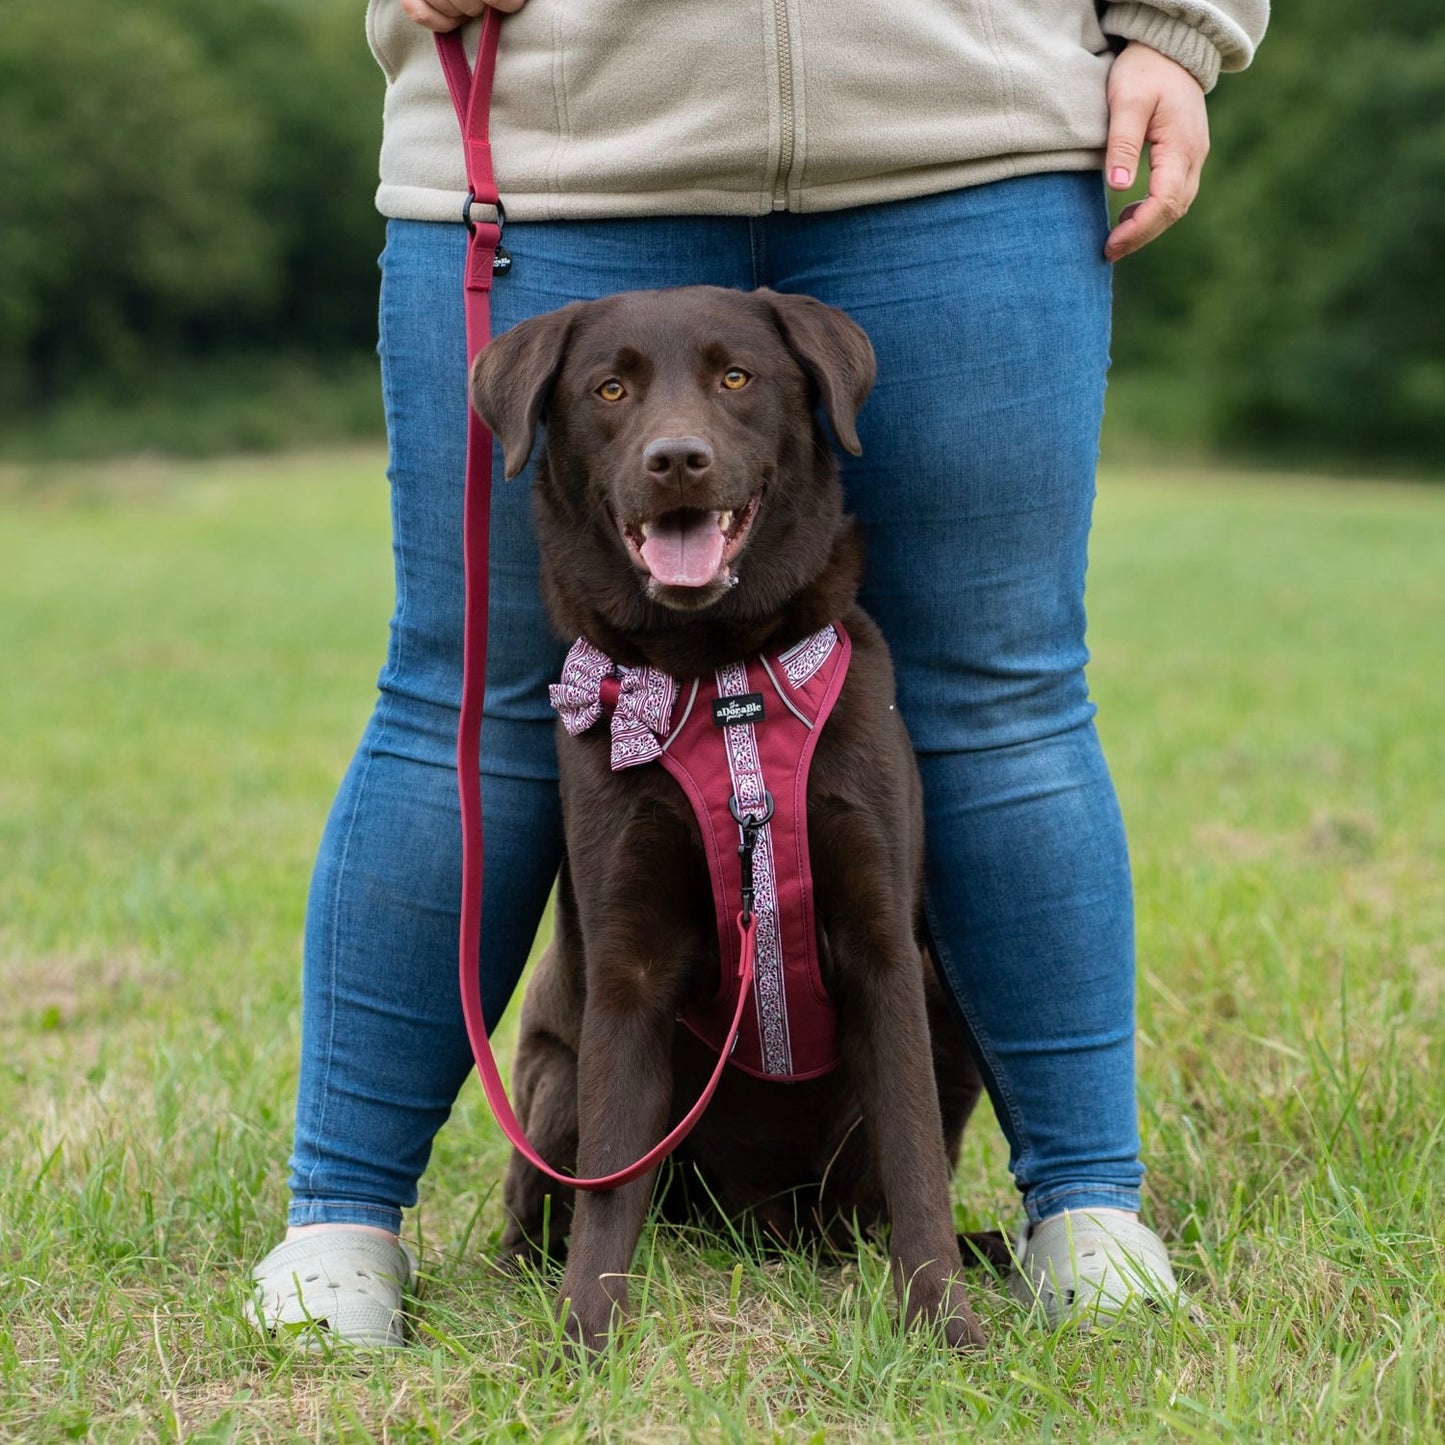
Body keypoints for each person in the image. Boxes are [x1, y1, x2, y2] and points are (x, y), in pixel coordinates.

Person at [248, 0, 1269, 1347]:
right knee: (468, 699)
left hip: (968, 130)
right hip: (555, 134)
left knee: (1001, 698)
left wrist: (1177, 29)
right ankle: (340, 1228)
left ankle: (1083, 1209)